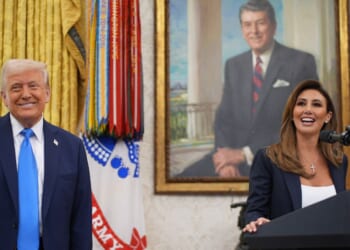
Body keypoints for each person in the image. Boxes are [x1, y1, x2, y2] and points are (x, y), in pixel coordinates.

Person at [177, 0, 319, 178]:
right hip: (232, 158)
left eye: (261, 23)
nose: (254, 31)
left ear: (273, 26)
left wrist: (245, 154)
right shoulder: (234, 65)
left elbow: (304, 123)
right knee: (181, 178)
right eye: (247, 25)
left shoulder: (300, 62)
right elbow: (223, 119)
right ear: (242, 29)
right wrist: (224, 160)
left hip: (278, 160)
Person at [0, 59, 92, 249]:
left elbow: (81, 219)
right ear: (4, 97)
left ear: (47, 93)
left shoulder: (72, 147)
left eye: (33, 86)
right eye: (16, 88)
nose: (26, 94)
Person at [242, 79, 348, 234]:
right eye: (301, 104)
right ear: (292, 113)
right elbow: (254, 211)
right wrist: (257, 221)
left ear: (327, 116)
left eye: (316, 104)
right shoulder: (268, 158)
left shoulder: (339, 161)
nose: (308, 110)